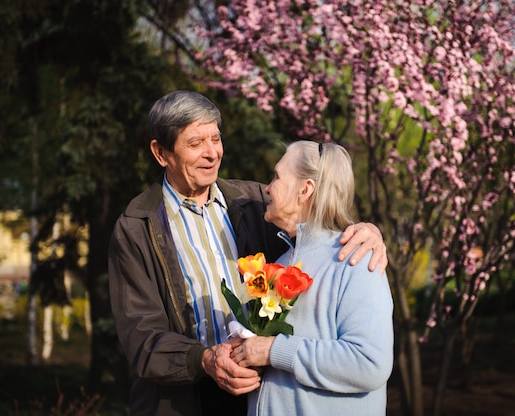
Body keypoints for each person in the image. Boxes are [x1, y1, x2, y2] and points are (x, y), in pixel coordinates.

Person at [108, 90, 388, 416]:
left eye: (215, 138)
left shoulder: (254, 202)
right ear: (161, 153)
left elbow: (314, 232)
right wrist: (204, 360)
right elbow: (142, 339)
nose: (212, 153)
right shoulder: (136, 227)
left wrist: (363, 230)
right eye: (196, 143)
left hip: (255, 398)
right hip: (184, 402)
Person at [231, 141, 394, 416]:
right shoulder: (280, 262)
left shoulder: (356, 259)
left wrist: (273, 350)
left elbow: (369, 363)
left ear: (305, 190)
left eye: (277, 177)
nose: (267, 188)